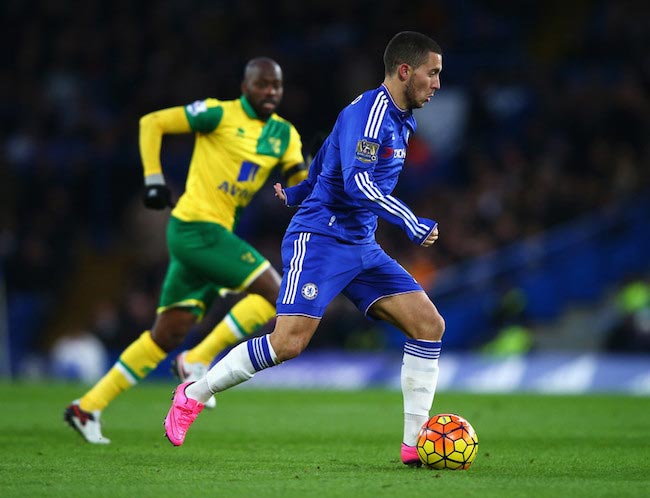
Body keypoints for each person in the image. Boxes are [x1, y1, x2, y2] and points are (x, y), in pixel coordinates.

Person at [163, 31, 445, 467]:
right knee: (287, 343)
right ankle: (192, 394)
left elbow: (330, 149)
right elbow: (358, 181)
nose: (437, 83)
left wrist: (301, 188)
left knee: (429, 324)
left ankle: (415, 444)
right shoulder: (371, 113)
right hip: (321, 240)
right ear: (405, 71)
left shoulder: (399, 117)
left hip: (361, 244)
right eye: (433, 73)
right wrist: (410, 221)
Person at [64, 57, 307, 444]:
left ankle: (88, 406)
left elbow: (298, 181)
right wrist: (154, 179)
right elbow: (152, 123)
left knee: (167, 333)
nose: (270, 92)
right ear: (245, 87)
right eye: (262, 85)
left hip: (213, 238)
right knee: (279, 295)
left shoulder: (285, 135)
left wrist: (315, 186)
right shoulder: (216, 113)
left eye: (276, 86)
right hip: (196, 228)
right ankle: (198, 359)